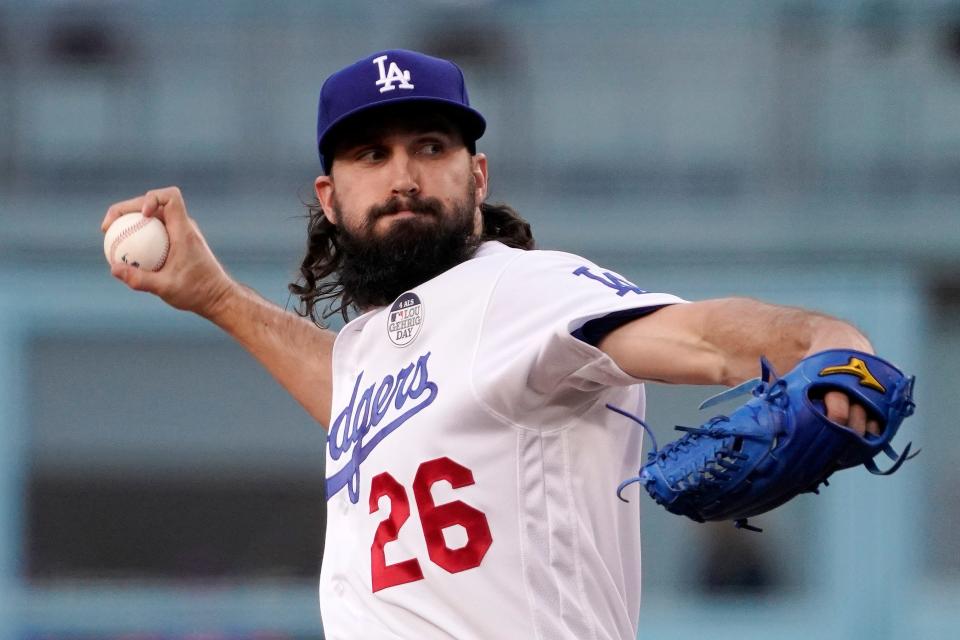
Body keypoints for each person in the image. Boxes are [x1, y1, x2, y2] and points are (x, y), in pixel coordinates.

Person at [102, 49, 879, 640]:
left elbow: (704, 339)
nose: (403, 175)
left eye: (430, 147)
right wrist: (215, 297)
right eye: (372, 154)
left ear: (476, 175)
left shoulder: (527, 292)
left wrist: (829, 341)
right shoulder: (387, 344)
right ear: (329, 199)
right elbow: (350, 395)